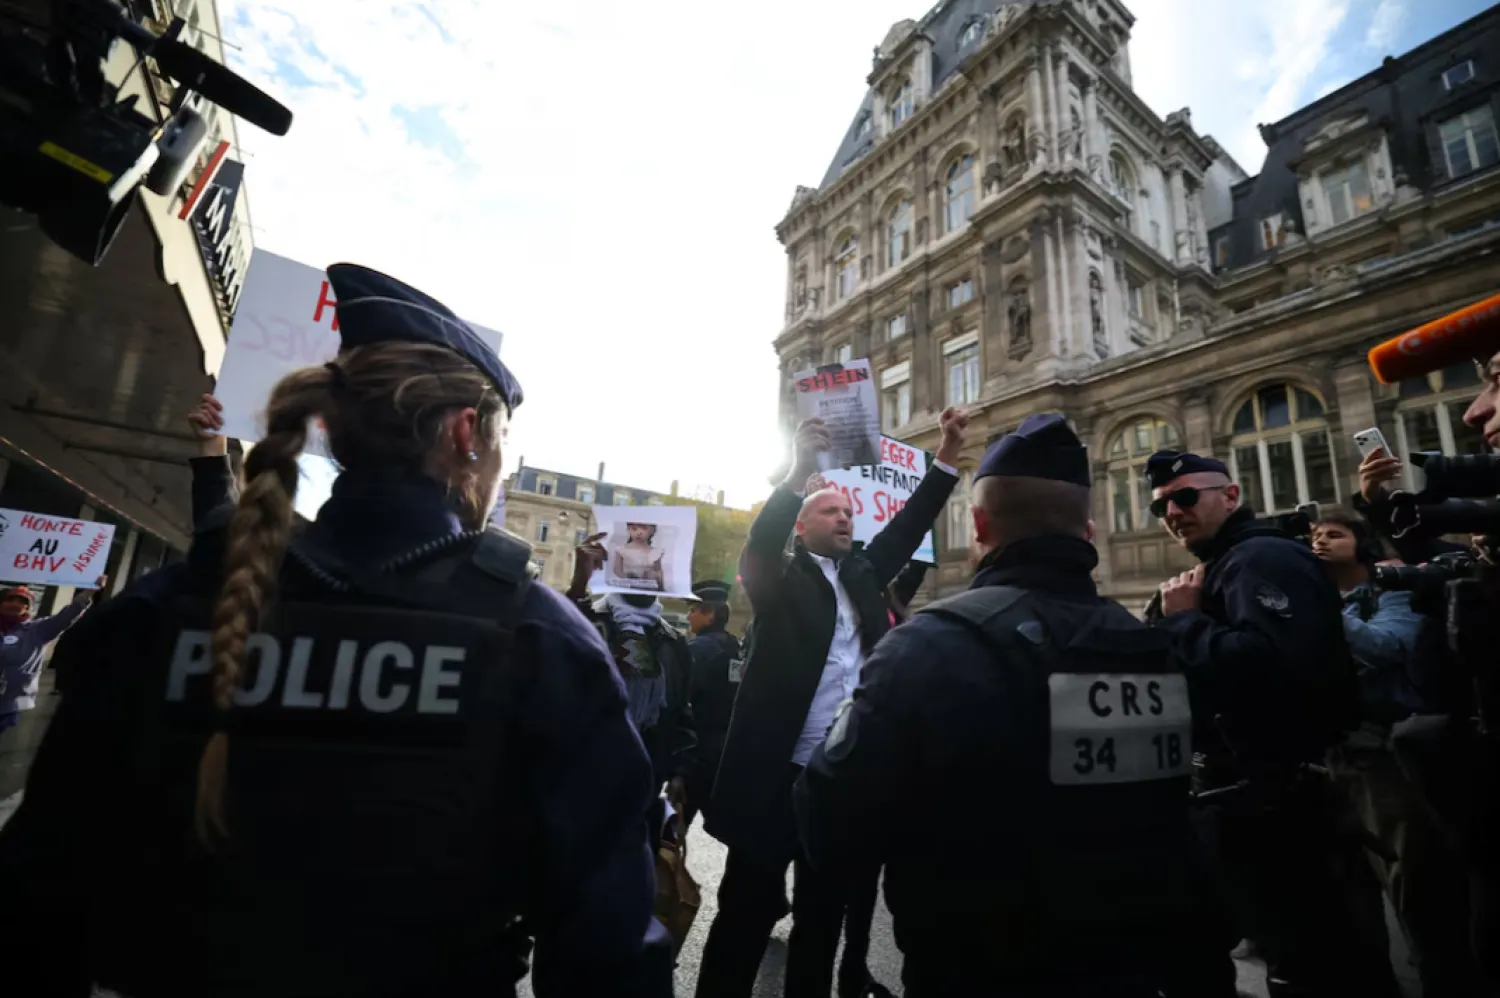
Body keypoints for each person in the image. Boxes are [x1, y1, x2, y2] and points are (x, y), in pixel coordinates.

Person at [0, 263, 672, 998]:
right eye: (503, 438)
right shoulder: (543, 641)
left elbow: (43, 885)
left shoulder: (165, 607)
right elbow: (606, 940)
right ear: (467, 431)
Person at [796, 415, 1224, 997]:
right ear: (1089, 530)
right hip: (1133, 966)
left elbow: (830, 823)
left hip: (974, 967)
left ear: (977, 525)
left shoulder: (926, 648)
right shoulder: (1155, 647)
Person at [696, 409, 967, 998]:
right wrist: (796, 475)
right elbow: (761, 541)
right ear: (801, 525)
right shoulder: (779, 579)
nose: (845, 517)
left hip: (839, 783)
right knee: (744, 915)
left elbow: (912, 519)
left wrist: (945, 456)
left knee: (822, 924)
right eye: (830, 511)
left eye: (849, 512)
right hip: (776, 780)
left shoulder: (866, 575)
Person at [1149, 449, 1403, 998]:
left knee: (1325, 963)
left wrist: (1185, 623)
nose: (1173, 511)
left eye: (1186, 496)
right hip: (1256, 800)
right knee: (1296, 956)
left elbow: (1271, 670)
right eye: (1162, 505)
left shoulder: (1262, 558)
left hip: (1287, 804)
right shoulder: (1227, 562)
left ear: (1231, 495)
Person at [1313, 509, 1484, 997]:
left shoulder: (1392, 591)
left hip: (1387, 754)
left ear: (1362, 543)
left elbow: (1387, 646)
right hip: (1337, 751)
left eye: (1334, 533)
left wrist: (1324, 611)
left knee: (1416, 887)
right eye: (1315, 536)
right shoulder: (1322, 598)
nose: (1320, 541)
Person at [568, 531, 697, 840]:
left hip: (645, 784)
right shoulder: (589, 621)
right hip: (583, 782)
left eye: (650, 564)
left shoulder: (673, 641)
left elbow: (681, 711)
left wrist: (680, 771)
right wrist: (577, 586)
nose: (642, 572)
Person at [0, 579, 104, 746]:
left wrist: (90, 591)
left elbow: (67, 616)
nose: (14, 604)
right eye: (10, 600)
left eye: (22, 602)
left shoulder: (37, 630)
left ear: (28, 608)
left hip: (9, 702)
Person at [682, 577, 741, 830]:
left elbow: (679, 697)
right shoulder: (733, 647)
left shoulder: (700, 649)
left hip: (698, 750)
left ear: (710, 614)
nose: (688, 616)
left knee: (673, 827)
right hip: (726, 750)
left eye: (693, 610)